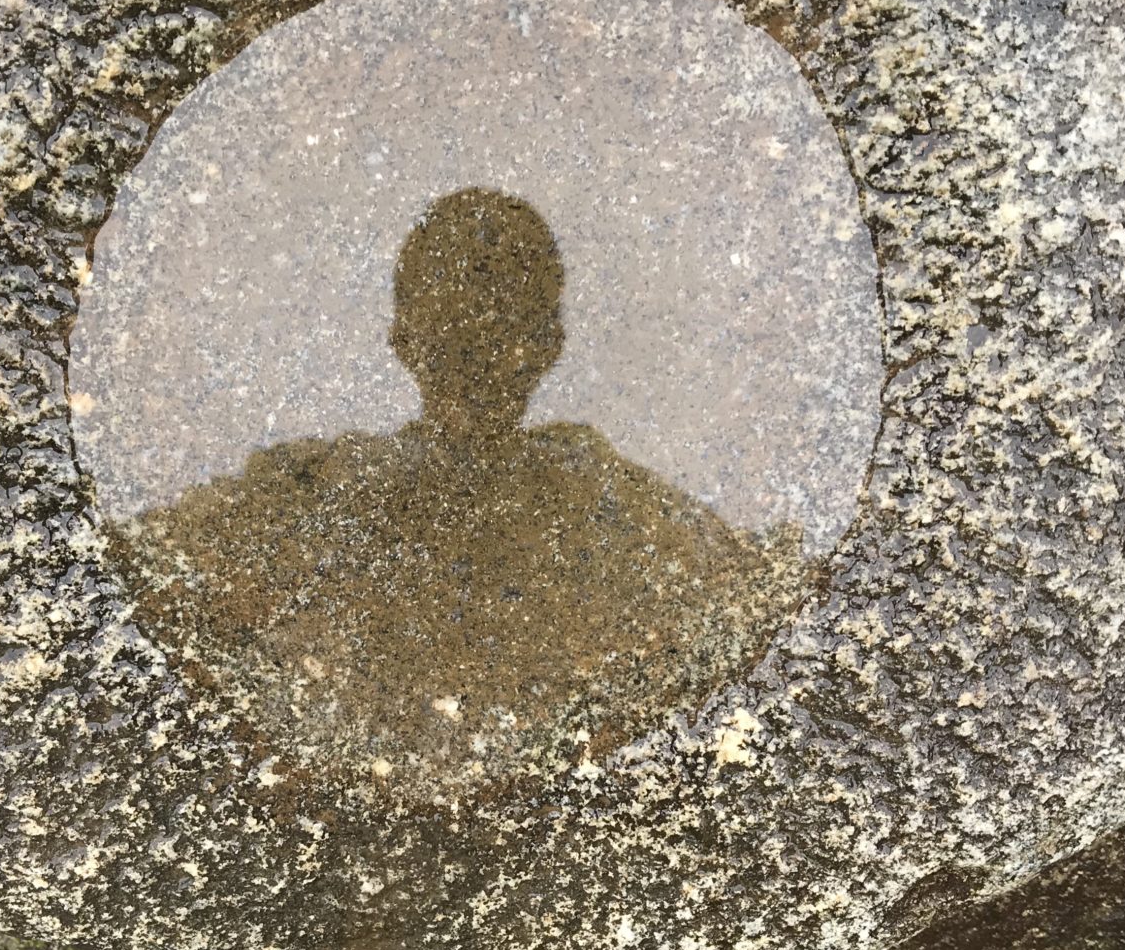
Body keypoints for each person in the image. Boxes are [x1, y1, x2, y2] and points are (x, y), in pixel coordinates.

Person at [117, 188, 803, 776]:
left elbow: (747, 577)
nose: (478, 357)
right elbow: (753, 581)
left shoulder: (602, 498)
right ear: (405, 340)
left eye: (498, 329)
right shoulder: (314, 486)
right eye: (458, 331)